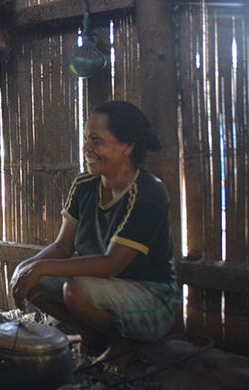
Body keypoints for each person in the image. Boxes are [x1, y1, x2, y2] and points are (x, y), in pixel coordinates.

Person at [10, 100, 181, 369]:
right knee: (30, 276)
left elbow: (113, 263)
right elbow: (62, 246)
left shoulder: (148, 192)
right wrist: (26, 269)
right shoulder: (84, 185)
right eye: (87, 139)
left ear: (128, 146)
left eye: (97, 141)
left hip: (152, 297)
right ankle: (92, 336)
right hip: (101, 288)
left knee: (75, 290)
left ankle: (123, 344)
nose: (87, 148)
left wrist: (41, 267)